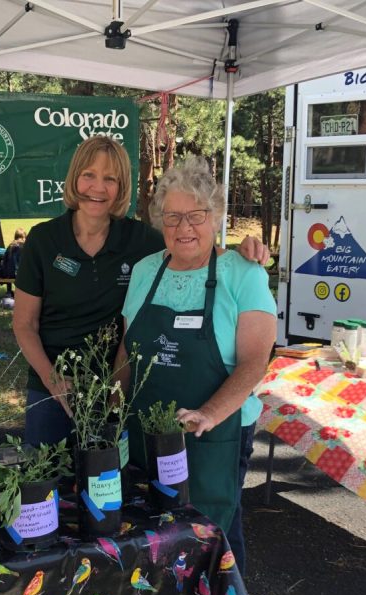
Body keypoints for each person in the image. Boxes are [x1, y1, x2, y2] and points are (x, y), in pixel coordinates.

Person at [117, 155, 276, 595]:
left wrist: (209, 412)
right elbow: (127, 351)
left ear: (216, 217)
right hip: (149, 427)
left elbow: (256, 359)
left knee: (219, 521)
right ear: (159, 220)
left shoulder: (241, 273)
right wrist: (111, 401)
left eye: (197, 215)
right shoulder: (146, 271)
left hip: (219, 427)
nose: (184, 227)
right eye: (172, 216)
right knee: (157, 521)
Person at [13, 136, 269, 447]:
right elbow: (25, 324)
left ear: (121, 188)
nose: (98, 187)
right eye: (88, 175)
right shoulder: (44, 240)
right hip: (55, 387)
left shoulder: (141, 241)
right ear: (74, 178)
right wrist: (52, 379)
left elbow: (195, 244)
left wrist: (246, 249)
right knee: (48, 484)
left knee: (108, 485)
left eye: (111, 179)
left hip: (118, 390)